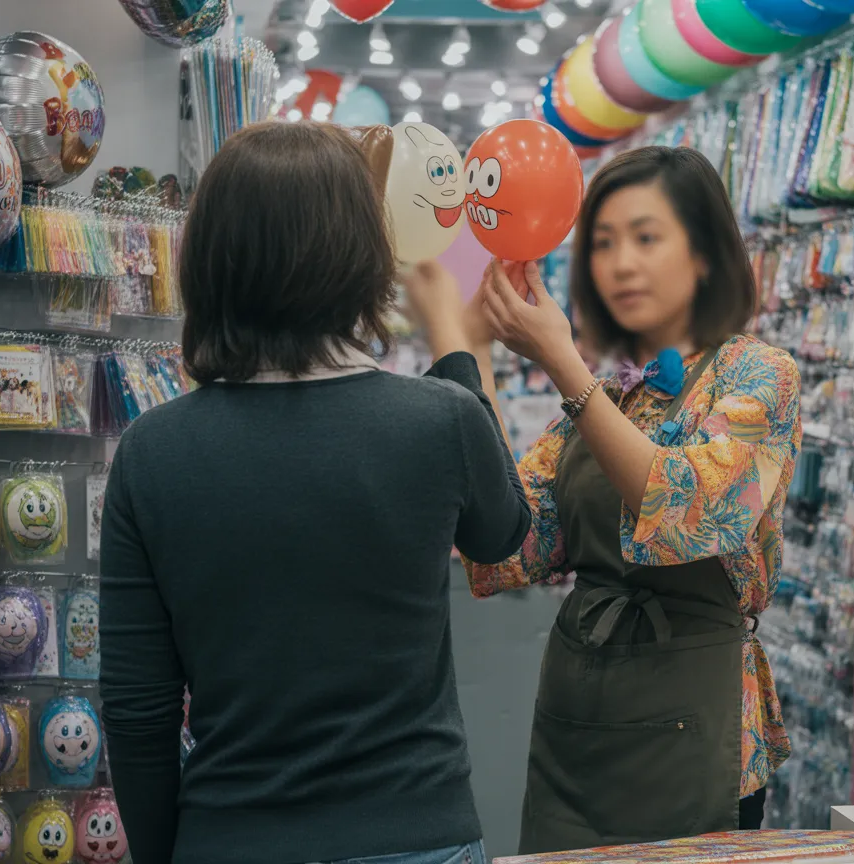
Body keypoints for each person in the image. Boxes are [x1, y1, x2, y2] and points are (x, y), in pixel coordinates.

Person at [99, 122, 531, 864]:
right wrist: (455, 346)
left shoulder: (152, 451)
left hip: (232, 833)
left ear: (209, 259)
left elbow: (139, 711)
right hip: (417, 831)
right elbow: (504, 532)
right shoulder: (440, 422)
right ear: (365, 253)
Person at [452, 146, 802, 853]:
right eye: (604, 242)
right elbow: (511, 536)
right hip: (573, 734)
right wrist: (472, 351)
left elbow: (693, 511)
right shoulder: (615, 390)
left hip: (694, 734)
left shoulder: (759, 375)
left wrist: (563, 365)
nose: (619, 263)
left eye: (646, 237)